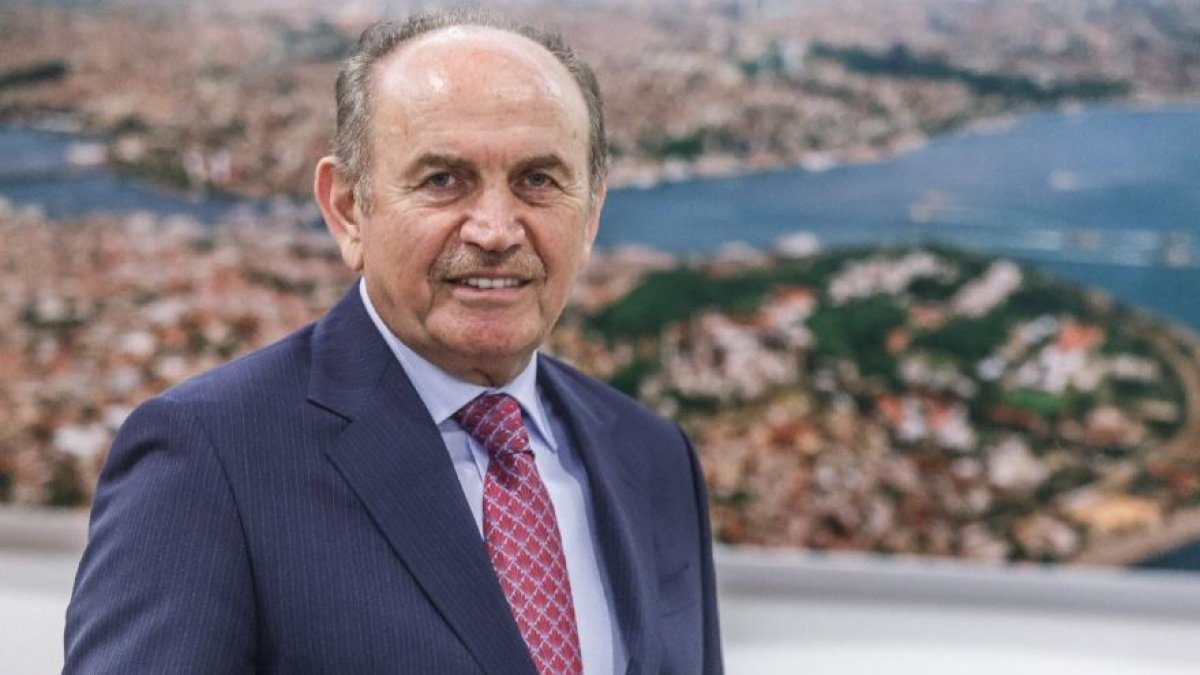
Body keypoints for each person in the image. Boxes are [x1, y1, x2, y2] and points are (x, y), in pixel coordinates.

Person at [64, 9, 722, 674]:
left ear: (592, 214)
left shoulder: (654, 456)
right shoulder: (210, 458)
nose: (496, 230)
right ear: (348, 209)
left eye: (538, 181)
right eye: (443, 180)